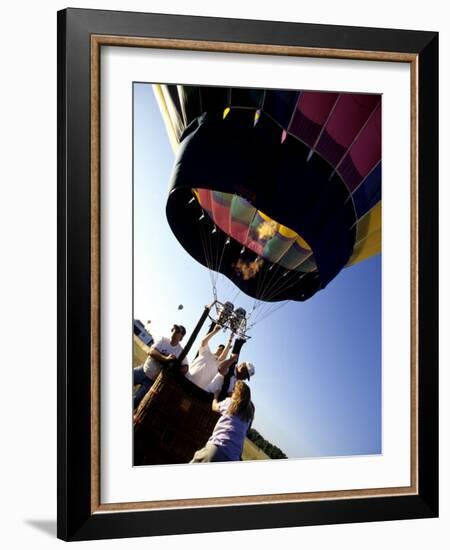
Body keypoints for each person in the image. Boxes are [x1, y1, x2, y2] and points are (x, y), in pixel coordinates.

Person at [190, 380, 255, 463]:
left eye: (234, 390)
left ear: (238, 393)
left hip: (217, 448)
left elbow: (214, 407)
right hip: (233, 459)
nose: (231, 392)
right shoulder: (248, 417)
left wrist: (215, 396)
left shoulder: (230, 402)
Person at [133, 324, 188, 409]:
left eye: (178, 332)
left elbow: (185, 368)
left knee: (135, 401)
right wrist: (166, 359)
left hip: (152, 382)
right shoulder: (163, 340)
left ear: (181, 338)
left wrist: (174, 367)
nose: (175, 332)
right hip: (143, 369)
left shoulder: (180, 352)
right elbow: (151, 352)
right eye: (174, 330)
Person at [185, 324, 234, 390]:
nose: (221, 348)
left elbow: (223, 356)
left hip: (197, 389)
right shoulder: (206, 352)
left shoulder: (219, 362)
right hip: (186, 378)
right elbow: (203, 342)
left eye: (223, 348)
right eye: (220, 346)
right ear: (217, 347)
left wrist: (229, 342)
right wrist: (214, 331)